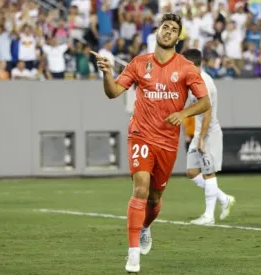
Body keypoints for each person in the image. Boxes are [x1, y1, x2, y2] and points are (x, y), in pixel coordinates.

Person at [91, 13, 211, 273]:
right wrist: (108, 73)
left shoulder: (186, 68)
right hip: (141, 134)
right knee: (141, 188)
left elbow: (204, 102)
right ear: (157, 32)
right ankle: (133, 254)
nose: (168, 31)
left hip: (167, 142)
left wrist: (183, 113)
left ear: (178, 38)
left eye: (173, 29)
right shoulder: (138, 63)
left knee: (155, 198)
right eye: (164, 27)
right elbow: (113, 93)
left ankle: (146, 227)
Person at [182, 49, 235, 225]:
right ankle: (224, 198)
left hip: (209, 133)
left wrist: (202, 138)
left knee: (208, 172)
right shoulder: (192, 81)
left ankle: (208, 216)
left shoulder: (205, 82)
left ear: (191, 64)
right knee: (191, 172)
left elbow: (207, 114)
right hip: (199, 132)